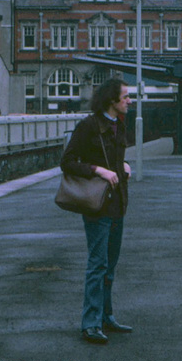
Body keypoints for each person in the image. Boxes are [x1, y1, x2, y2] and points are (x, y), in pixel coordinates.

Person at [61, 78, 133, 345]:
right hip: (96, 204)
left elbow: (114, 158)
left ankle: (105, 316)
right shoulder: (89, 125)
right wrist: (98, 170)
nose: (129, 101)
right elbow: (67, 162)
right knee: (98, 263)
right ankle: (90, 323)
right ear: (111, 101)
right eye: (125, 97)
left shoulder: (119, 124)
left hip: (117, 203)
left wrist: (122, 164)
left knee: (110, 265)